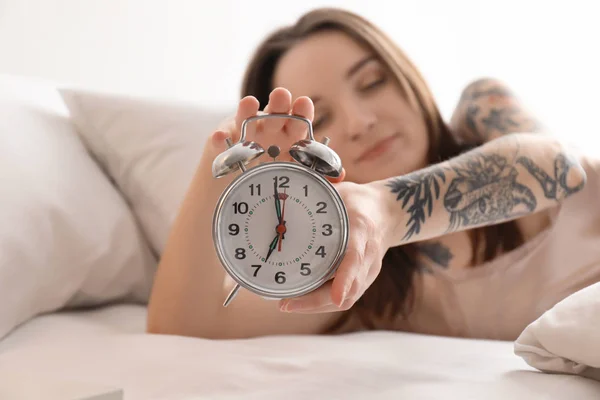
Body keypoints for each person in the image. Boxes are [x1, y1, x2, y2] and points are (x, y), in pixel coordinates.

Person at [146, 7, 599, 340]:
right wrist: (219, 166)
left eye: (372, 82)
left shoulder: (482, 110)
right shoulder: (353, 277)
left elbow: (560, 166)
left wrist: (385, 208)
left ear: (407, 77)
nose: (360, 122)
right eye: (319, 118)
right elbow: (182, 326)